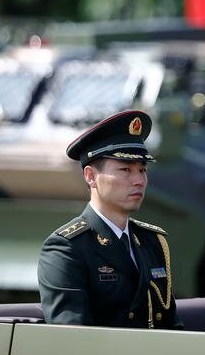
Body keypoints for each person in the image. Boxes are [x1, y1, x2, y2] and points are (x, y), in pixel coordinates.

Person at [37, 110, 181, 329]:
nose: (139, 181)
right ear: (91, 176)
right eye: (125, 169)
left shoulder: (153, 242)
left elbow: (172, 327)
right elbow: (70, 336)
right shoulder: (67, 247)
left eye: (142, 170)